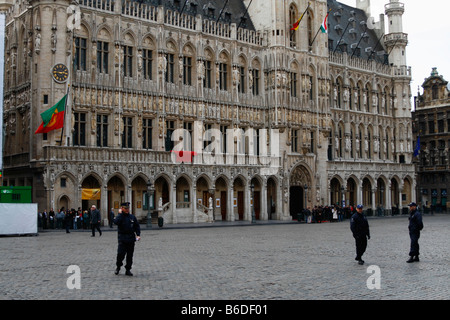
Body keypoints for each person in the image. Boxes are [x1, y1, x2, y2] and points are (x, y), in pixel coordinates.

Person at [114, 202, 141, 276]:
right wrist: (119, 214)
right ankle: (118, 267)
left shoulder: (132, 217)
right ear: (122, 208)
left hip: (131, 238)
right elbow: (116, 222)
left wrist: (138, 235)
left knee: (130, 255)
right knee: (120, 254)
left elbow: (136, 226)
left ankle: (128, 269)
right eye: (125, 208)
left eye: (128, 208)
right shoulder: (120, 217)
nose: (127, 210)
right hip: (122, 239)